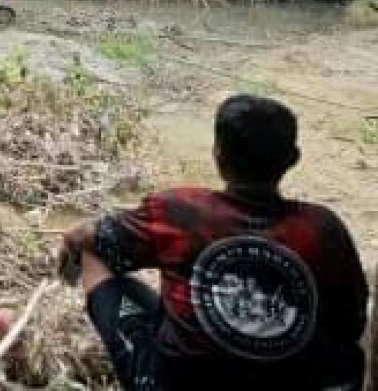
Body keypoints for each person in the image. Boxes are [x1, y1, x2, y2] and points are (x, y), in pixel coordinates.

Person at [60, 93, 368, 391]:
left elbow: (85, 237)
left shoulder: (179, 209)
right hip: (298, 382)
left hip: (178, 383)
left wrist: (69, 257)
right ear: (293, 159)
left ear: (218, 155)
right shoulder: (324, 229)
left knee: (93, 250)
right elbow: (350, 322)